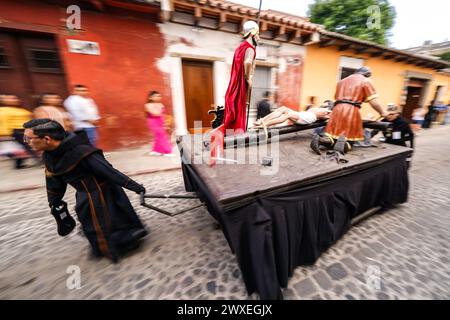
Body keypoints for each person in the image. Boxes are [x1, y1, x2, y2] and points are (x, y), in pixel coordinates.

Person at [23, 119, 148, 262]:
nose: (27, 142)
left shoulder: (82, 152)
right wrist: (54, 201)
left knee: (109, 222)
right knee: (90, 221)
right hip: (84, 195)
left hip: (104, 193)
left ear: (47, 139)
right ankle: (103, 248)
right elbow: (53, 181)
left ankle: (121, 246)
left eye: (29, 138)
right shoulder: (49, 155)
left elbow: (109, 172)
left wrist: (135, 187)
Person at [310, 67, 388, 155]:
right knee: (349, 139)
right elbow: (374, 102)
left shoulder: (341, 81)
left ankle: (320, 141)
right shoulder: (366, 81)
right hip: (351, 110)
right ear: (367, 74)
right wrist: (382, 112)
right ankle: (344, 145)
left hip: (337, 109)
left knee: (332, 135)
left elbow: (336, 97)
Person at [223, 20, 260, 134]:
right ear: (252, 33)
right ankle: (237, 135)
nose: (259, 38)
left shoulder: (239, 48)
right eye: (258, 34)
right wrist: (248, 78)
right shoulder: (250, 49)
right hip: (241, 87)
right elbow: (247, 62)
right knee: (239, 111)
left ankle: (229, 133)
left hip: (234, 85)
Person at [0, 94, 38, 168]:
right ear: (3, 101)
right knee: (28, 145)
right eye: (10, 99)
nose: (14, 100)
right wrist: (5, 134)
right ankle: (38, 159)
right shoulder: (3, 110)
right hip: (15, 131)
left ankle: (18, 164)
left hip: (25, 130)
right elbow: (4, 123)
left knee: (20, 147)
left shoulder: (21, 110)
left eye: (14, 98)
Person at [371, 104, 414, 168]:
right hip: (388, 144)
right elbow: (375, 131)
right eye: (388, 114)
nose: (389, 116)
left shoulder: (403, 122)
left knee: (400, 165)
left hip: (400, 146)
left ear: (397, 114)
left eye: (392, 114)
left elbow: (409, 137)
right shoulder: (384, 121)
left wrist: (409, 153)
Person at [144, 91, 173, 156]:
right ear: (150, 97)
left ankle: (155, 150)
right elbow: (155, 113)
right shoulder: (148, 105)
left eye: (159, 96)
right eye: (156, 96)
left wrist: (166, 123)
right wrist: (159, 108)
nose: (158, 97)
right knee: (161, 135)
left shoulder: (160, 104)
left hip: (161, 121)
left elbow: (163, 114)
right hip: (153, 122)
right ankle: (167, 152)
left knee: (158, 136)